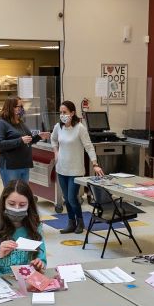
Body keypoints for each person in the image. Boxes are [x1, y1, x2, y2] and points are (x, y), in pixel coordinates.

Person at [50, 100, 103, 234]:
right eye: (61, 112)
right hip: (61, 169)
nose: (62, 115)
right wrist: (56, 152)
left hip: (75, 170)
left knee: (72, 197)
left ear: (72, 113)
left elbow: (89, 146)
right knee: (66, 199)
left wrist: (95, 164)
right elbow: (53, 139)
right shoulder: (58, 127)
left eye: (65, 112)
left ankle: (80, 221)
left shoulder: (80, 128)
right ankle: (71, 223)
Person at [0, 97, 49, 184]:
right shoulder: (1, 124)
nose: (21, 109)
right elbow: (0, 144)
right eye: (19, 106)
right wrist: (20, 140)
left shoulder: (20, 122)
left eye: (22, 106)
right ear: (11, 108)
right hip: (10, 166)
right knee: (12, 194)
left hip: (24, 164)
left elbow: (27, 140)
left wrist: (38, 137)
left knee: (23, 194)